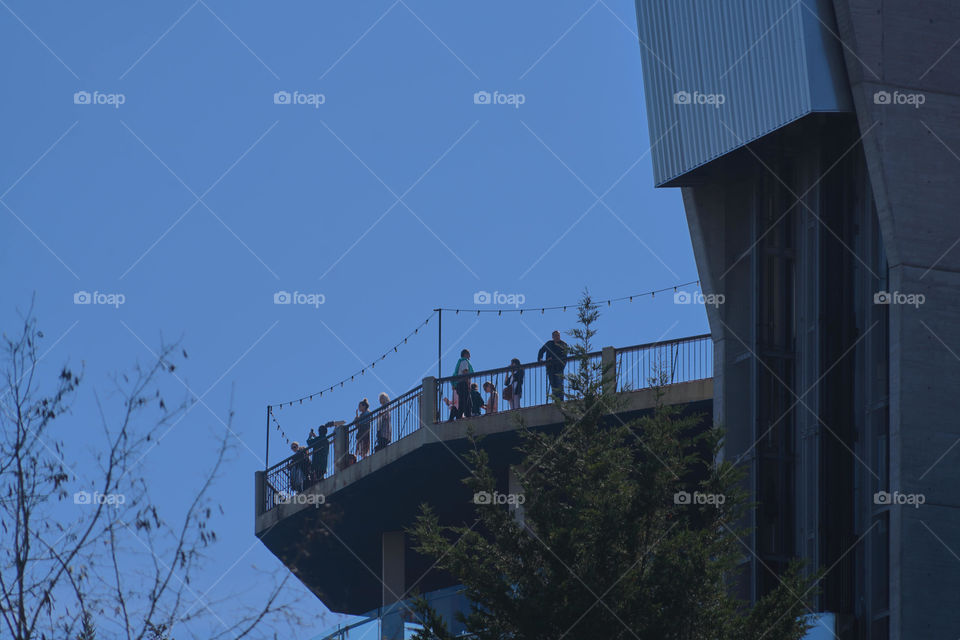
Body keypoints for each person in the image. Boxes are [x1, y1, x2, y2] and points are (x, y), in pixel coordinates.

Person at [538, 330, 569, 401]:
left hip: (559, 368)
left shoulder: (563, 344)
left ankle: (561, 400)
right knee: (553, 384)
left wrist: (554, 359)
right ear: (552, 337)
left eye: (558, 335)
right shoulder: (549, 343)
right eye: (555, 335)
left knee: (559, 384)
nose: (557, 337)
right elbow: (541, 350)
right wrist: (540, 359)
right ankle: (556, 400)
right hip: (550, 368)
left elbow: (564, 356)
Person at [452, 349, 474, 418]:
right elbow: (465, 372)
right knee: (465, 402)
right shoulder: (464, 361)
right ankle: (458, 415)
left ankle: (466, 415)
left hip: (460, 384)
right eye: (469, 354)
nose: (470, 356)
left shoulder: (461, 362)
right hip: (463, 384)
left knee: (466, 402)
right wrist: (468, 384)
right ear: (465, 354)